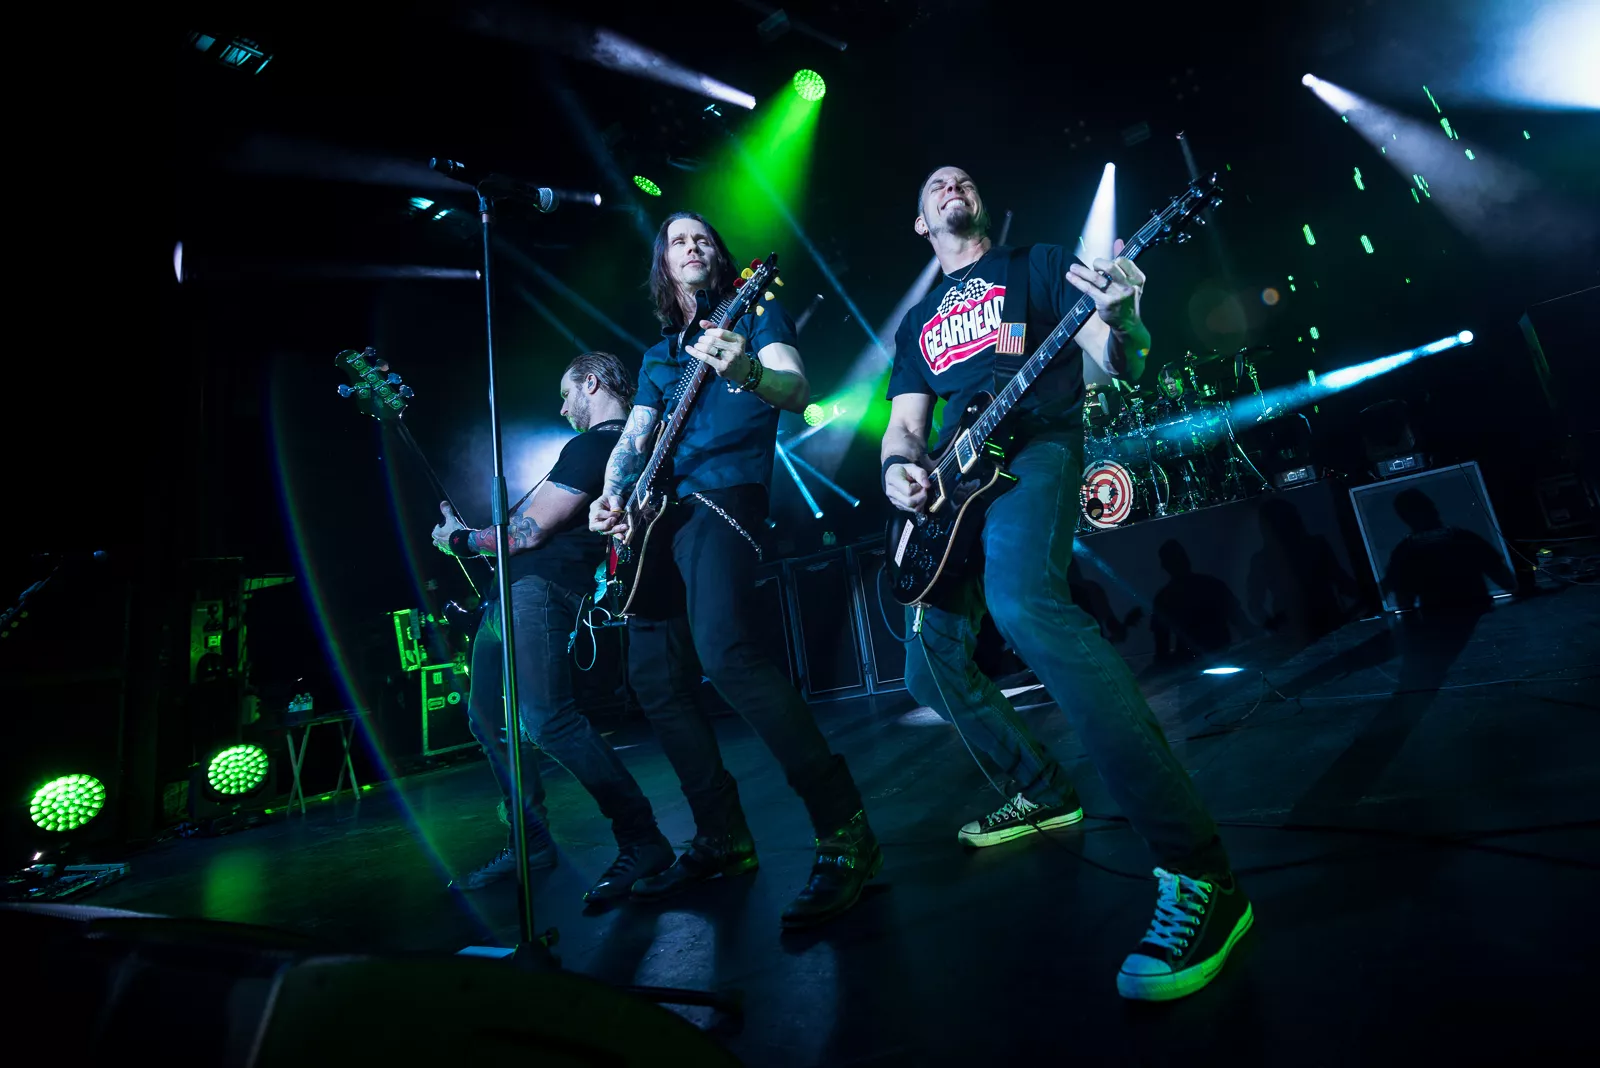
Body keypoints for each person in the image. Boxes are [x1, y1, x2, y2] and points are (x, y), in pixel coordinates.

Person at [879, 166, 1252, 1001]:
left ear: (980, 203)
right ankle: (1041, 790)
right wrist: (901, 471)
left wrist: (1124, 319)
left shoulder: (1039, 266)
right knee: (926, 665)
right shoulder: (917, 322)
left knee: (1023, 604)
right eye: (934, 183)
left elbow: (1117, 362)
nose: (951, 183)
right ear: (921, 222)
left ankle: (1201, 873)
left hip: (1035, 449)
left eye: (963, 177)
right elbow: (903, 428)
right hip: (950, 489)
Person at [588, 211, 879, 929]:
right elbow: (635, 437)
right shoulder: (658, 356)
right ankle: (721, 837)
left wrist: (743, 368)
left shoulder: (754, 312)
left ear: (719, 257)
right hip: (658, 517)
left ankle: (844, 829)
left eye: (702, 238)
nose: (692, 246)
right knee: (654, 677)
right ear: (663, 265)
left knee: (726, 653)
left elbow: (796, 390)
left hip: (725, 498)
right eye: (677, 240)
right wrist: (611, 495)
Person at [432, 351, 675, 905]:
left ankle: (642, 836)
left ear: (592, 383)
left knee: (546, 719)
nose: (563, 409)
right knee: (486, 718)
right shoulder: (607, 447)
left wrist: (460, 540)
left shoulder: (598, 446)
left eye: (567, 394)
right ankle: (531, 841)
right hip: (511, 597)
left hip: (538, 592)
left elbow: (528, 531)